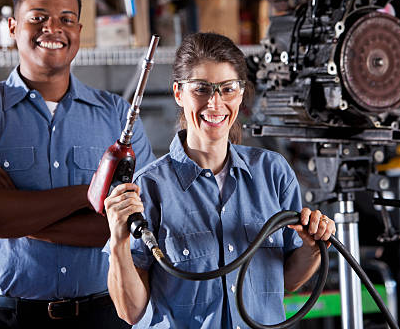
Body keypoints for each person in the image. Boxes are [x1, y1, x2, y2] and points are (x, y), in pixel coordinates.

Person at [0, 0, 154, 329]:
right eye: (38, 18)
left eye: (66, 19)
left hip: (101, 316)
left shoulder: (117, 115)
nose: (53, 29)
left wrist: (17, 216)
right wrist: (88, 195)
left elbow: (133, 227)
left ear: (79, 32)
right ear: (12, 27)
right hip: (4, 319)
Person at [104, 32, 336, 328]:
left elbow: (287, 281)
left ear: (240, 93)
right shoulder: (148, 188)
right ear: (179, 93)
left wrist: (313, 248)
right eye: (201, 89)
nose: (215, 103)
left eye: (227, 89)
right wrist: (118, 242)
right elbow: (130, 312)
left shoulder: (273, 173)